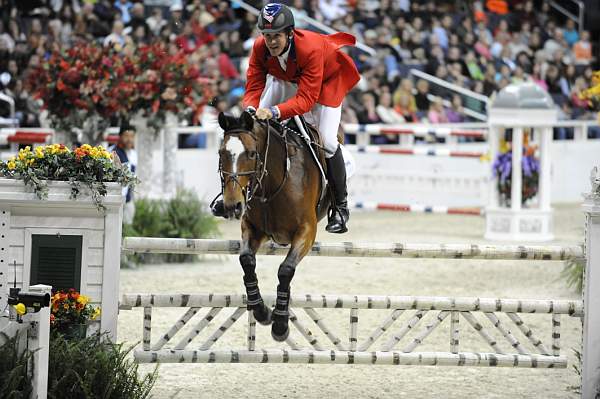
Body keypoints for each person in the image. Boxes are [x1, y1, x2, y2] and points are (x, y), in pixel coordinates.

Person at [211, 3, 360, 234]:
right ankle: (232, 196)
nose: (270, 42)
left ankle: (340, 208)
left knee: (329, 141)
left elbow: (306, 101)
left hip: (325, 85)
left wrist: (273, 112)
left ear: (290, 33)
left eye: (276, 36)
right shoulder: (260, 47)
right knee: (252, 129)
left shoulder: (310, 49)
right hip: (288, 79)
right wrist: (251, 109)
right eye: (266, 35)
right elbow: (253, 86)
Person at [110, 122, 137, 224]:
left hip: (128, 199)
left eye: (132, 136)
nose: (129, 139)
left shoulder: (133, 154)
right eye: (126, 136)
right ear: (120, 136)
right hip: (116, 199)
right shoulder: (113, 153)